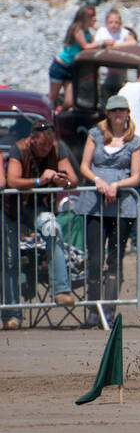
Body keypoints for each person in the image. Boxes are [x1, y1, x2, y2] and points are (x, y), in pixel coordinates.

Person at [2, 121, 79, 329]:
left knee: (52, 228)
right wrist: (39, 181)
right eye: (42, 144)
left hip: (36, 208)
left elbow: (74, 179)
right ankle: (12, 314)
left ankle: (61, 289)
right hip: (12, 209)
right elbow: (12, 182)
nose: (46, 148)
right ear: (33, 139)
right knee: (10, 258)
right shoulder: (19, 148)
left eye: (49, 144)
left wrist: (64, 182)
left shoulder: (57, 148)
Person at [75, 94, 140, 315]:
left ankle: (109, 309)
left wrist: (117, 184)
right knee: (94, 259)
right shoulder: (95, 135)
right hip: (95, 204)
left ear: (127, 113)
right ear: (108, 113)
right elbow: (85, 166)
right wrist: (98, 181)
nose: (118, 114)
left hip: (122, 207)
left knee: (115, 258)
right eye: (114, 110)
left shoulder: (135, 141)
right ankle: (93, 309)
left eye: (121, 110)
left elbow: (136, 176)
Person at [48, 5, 97, 111]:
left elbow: (93, 45)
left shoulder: (87, 32)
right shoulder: (77, 29)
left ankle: (59, 112)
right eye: (91, 18)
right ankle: (46, 115)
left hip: (72, 68)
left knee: (70, 101)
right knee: (52, 97)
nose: (94, 20)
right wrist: (102, 42)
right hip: (61, 65)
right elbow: (85, 46)